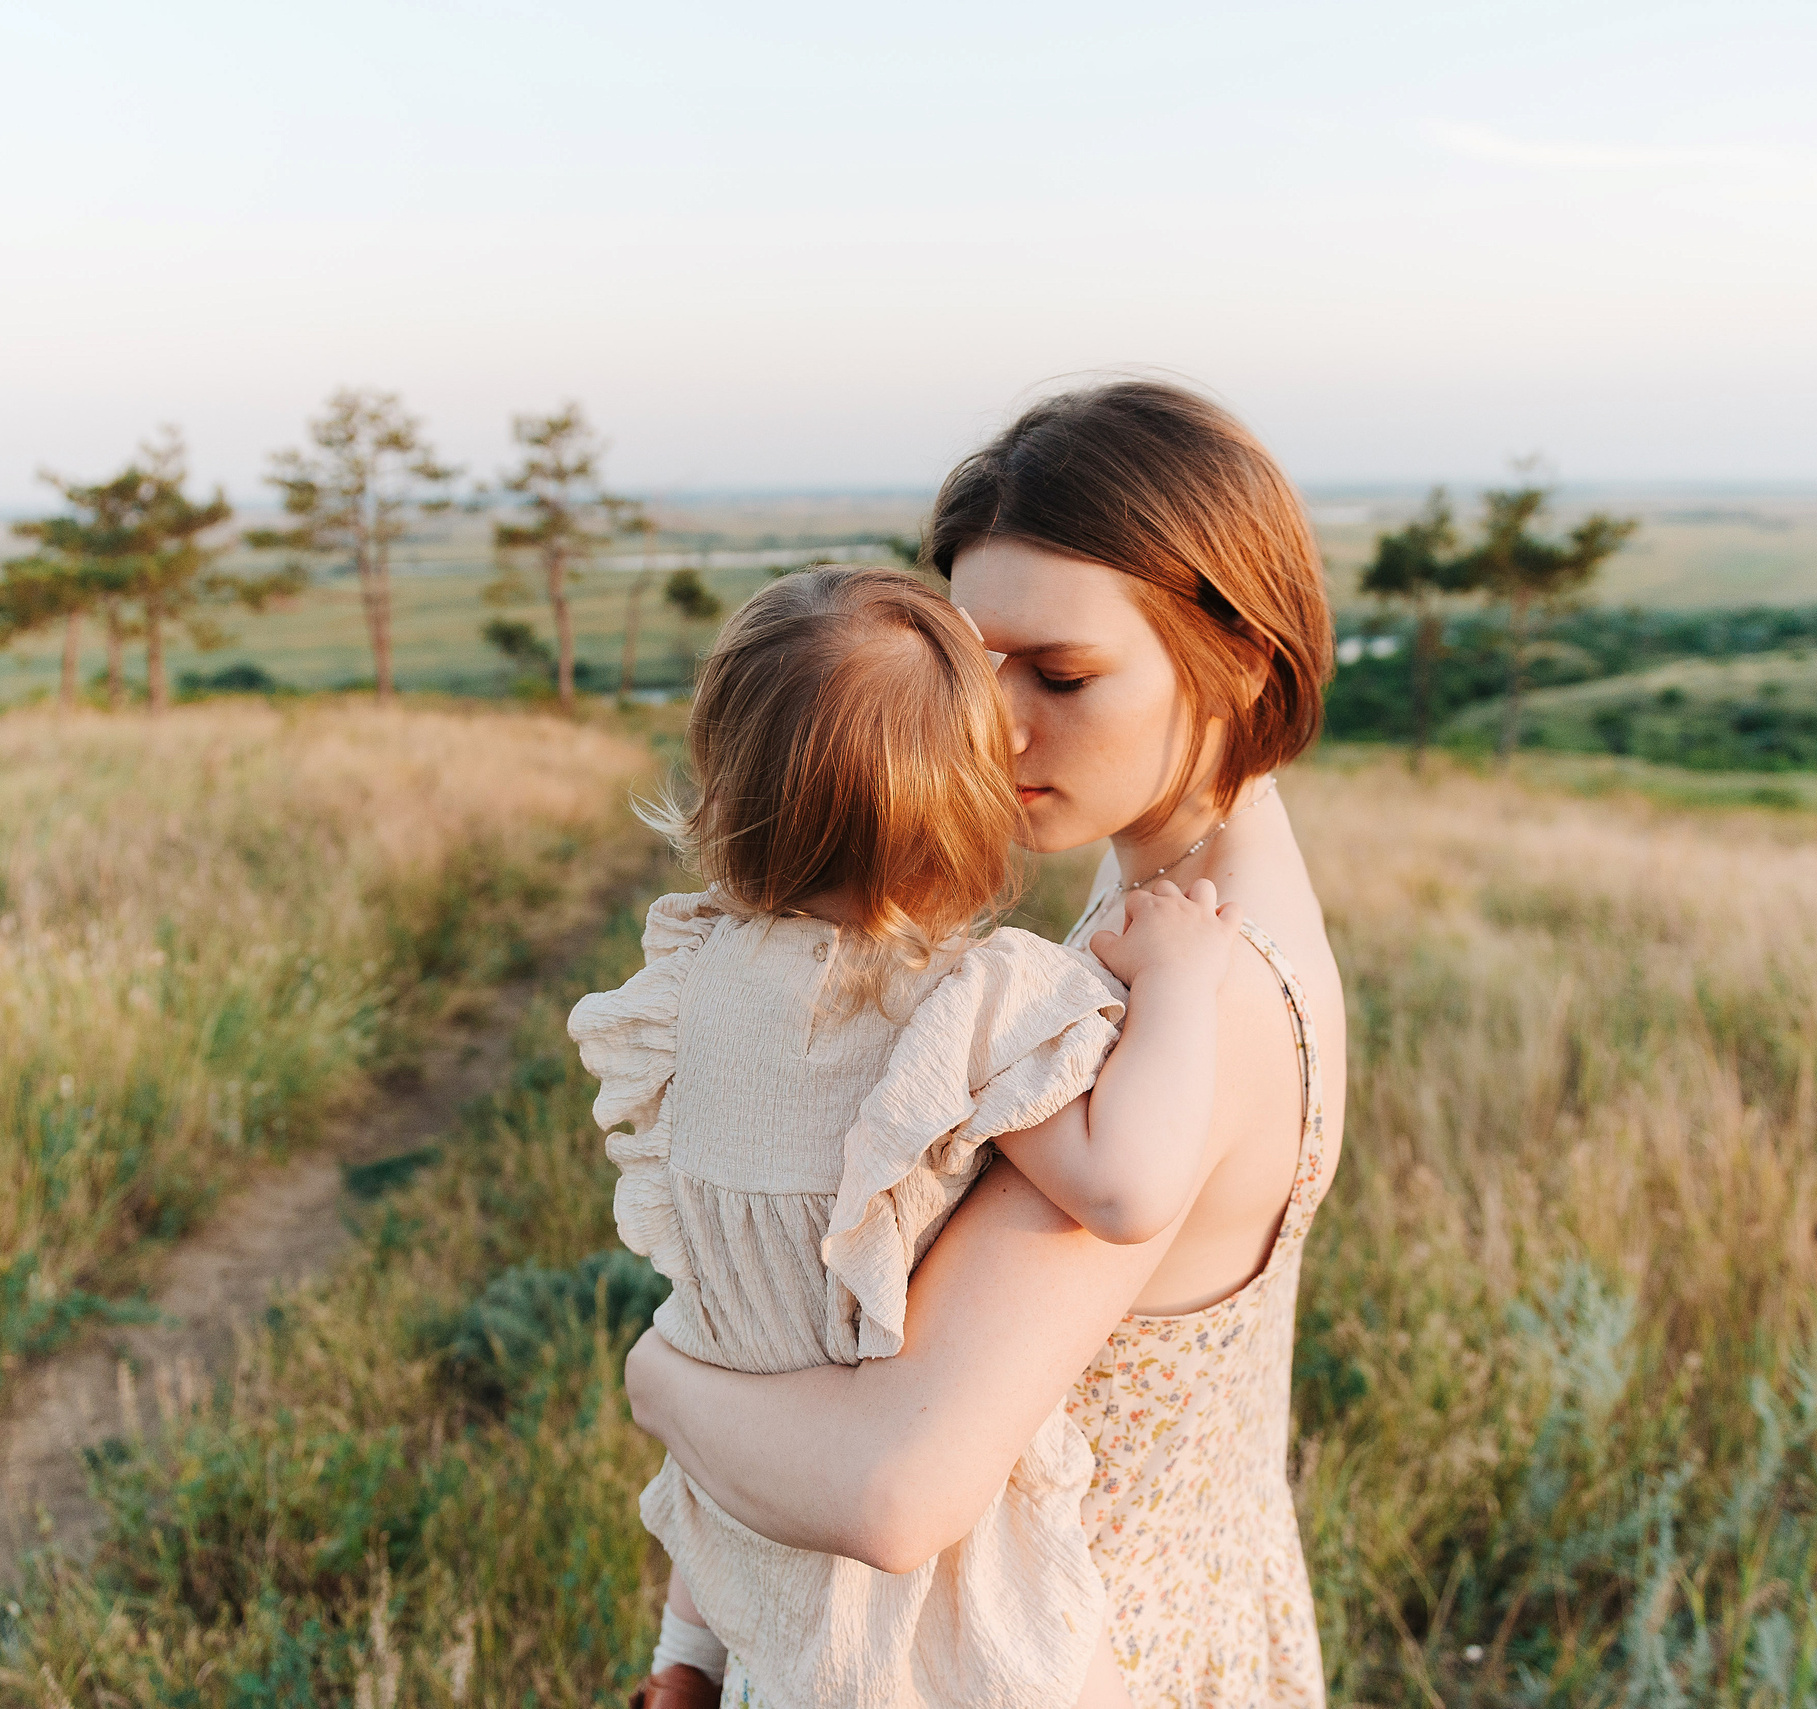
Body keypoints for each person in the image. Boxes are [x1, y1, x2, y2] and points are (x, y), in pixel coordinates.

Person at [623, 380, 1348, 1707]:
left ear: (1242, 657)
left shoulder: (1177, 1008)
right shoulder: (1182, 920)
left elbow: (897, 1487)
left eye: (1061, 674)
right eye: (972, 665)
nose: (994, 724)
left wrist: (657, 1376)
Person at [570, 566, 1247, 1708]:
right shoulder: (961, 1009)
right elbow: (1127, 1188)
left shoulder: (689, 992)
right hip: (939, 1626)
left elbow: (727, 1330)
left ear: (724, 788)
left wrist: (688, 1651)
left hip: (764, 1579)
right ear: (970, 806)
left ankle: (675, 1668)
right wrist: (1179, 980)